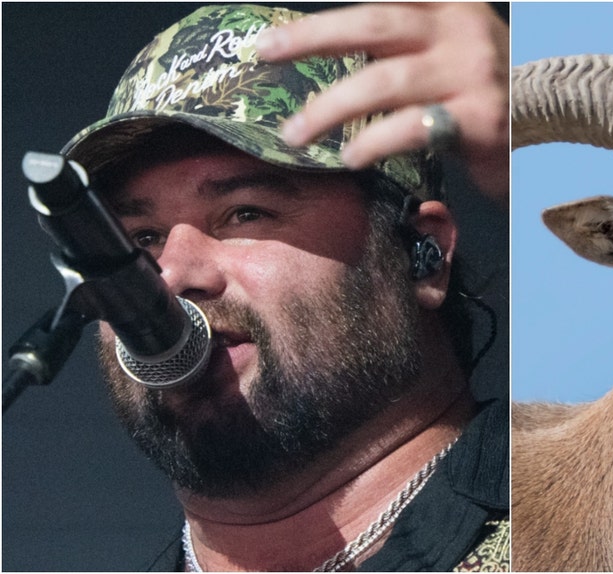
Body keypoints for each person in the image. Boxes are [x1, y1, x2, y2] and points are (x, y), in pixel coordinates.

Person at [14, 3, 509, 571]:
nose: (173, 274)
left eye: (245, 213)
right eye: (141, 237)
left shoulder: (595, 511)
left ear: (422, 257)